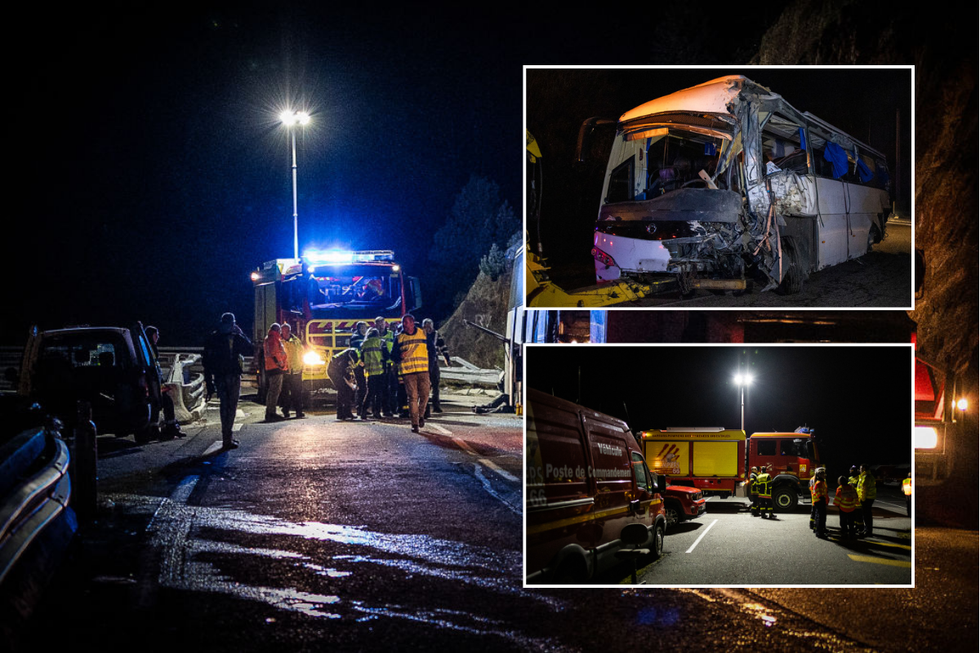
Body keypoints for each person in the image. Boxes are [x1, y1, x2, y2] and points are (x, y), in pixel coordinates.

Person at [203, 312, 252, 449]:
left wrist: (209, 382)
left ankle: (226, 437)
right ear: (232, 323)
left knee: (225, 407)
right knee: (231, 407)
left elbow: (206, 362)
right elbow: (250, 348)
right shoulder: (234, 337)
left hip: (220, 376)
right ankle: (227, 438)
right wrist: (241, 333)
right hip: (232, 375)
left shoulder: (213, 337)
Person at [391, 314, 429, 433]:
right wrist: (399, 356)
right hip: (408, 373)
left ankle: (421, 415)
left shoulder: (423, 333)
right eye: (404, 324)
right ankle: (415, 423)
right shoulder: (399, 337)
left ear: (413, 323)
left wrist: (431, 369)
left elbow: (431, 351)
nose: (405, 326)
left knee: (425, 396)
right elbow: (393, 355)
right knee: (412, 397)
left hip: (423, 371)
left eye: (407, 323)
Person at [145, 325, 183, 438]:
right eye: (156, 335)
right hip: (151, 383)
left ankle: (155, 429)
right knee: (166, 402)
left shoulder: (149, 348)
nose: (158, 337)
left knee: (158, 405)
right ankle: (169, 428)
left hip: (155, 383)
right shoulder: (149, 348)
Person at [422, 318, 451, 416]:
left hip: (433, 363)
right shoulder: (420, 335)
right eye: (426, 326)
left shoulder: (436, 334)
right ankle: (424, 407)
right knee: (424, 386)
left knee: (435, 384)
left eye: (430, 326)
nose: (428, 328)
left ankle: (436, 405)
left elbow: (443, 347)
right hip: (423, 363)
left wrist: (447, 359)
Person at [263, 324, 288, 422]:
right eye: (279, 330)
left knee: (272, 390)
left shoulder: (269, 338)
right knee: (275, 390)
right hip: (275, 367)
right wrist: (280, 364)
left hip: (271, 367)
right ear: (277, 330)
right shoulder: (273, 338)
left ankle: (270, 411)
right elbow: (274, 353)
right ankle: (271, 413)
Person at [360, 327, 388, 419]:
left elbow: (362, 359)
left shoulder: (364, 344)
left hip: (369, 371)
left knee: (370, 392)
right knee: (379, 393)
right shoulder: (381, 342)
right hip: (380, 370)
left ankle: (363, 412)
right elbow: (386, 356)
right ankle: (377, 412)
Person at [279, 323, 305, 419]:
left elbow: (302, 353)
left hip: (296, 371)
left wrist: (301, 366)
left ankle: (299, 411)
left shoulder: (296, 341)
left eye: (287, 331)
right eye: (283, 331)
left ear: (289, 331)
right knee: (285, 393)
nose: (285, 333)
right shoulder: (279, 341)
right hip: (285, 371)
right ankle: (286, 411)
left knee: (297, 392)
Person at [328, 347, 360, 420]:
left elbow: (351, 370)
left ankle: (344, 413)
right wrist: (351, 384)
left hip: (339, 370)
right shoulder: (344, 361)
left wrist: (353, 380)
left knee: (345, 390)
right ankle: (343, 413)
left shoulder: (354, 354)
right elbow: (343, 374)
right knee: (343, 389)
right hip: (333, 371)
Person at [375, 316, 397, 417]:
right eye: (379, 324)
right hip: (376, 365)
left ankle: (387, 409)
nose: (381, 326)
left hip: (388, 365)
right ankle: (376, 410)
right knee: (377, 389)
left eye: (382, 324)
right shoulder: (373, 335)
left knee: (388, 389)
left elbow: (395, 348)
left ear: (385, 324)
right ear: (375, 324)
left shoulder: (391, 334)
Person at [350, 322, 369, 418]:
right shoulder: (355, 338)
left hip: (364, 365)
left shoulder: (364, 337)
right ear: (358, 329)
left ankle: (362, 408)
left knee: (364, 387)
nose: (363, 329)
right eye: (361, 328)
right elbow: (357, 351)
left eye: (364, 328)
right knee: (361, 387)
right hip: (358, 366)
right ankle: (359, 408)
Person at [856, 464, 877, 537]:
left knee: (866, 515)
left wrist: (862, 500)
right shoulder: (868, 476)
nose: (859, 469)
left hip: (866, 499)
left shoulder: (865, 477)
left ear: (864, 468)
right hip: (869, 498)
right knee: (867, 515)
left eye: (860, 468)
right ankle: (867, 529)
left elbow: (864, 490)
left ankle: (868, 531)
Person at [811, 468, 829, 538]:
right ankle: (819, 532)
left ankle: (821, 530)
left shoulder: (822, 482)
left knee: (821, 517)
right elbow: (819, 493)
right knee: (820, 518)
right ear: (819, 475)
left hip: (820, 501)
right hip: (819, 501)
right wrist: (822, 500)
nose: (825, 475)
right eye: (823, 474)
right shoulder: (819, 483)